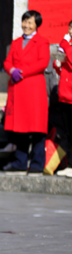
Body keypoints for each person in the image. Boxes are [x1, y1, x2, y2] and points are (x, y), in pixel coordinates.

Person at [3, 10, 51, 174]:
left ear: (37, 25)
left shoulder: (42, 42)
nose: (26, 25)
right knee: (20, 129)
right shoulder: (16, 42)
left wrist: (22, 72)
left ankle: (37, 164)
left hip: (34, 90)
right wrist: (12, 70)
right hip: (18, 89)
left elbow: (43, 63)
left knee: (37, 129)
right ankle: (20, 162)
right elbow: (7, 62)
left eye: (30, 22)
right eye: (25, 22)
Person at [54, 20, 72, 177]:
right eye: (71, 28)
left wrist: (65, 45)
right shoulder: (68, 46)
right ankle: (70, 165)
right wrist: (58, 65)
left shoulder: (68, 45)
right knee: (68, 133)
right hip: (65, 96)